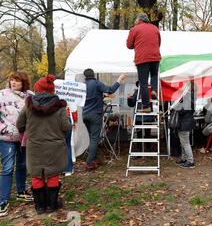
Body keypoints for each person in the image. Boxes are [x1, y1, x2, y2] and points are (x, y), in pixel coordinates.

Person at [16, 75, 71, 214]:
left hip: (34, 146)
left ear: (37, 88)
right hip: (55, 146)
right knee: (52, 174)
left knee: (37, 175)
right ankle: (51, 205)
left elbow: (19, 124)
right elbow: (66, 127)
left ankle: (40, 207)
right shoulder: (59, 106)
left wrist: (28, 132)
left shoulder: (28, 105)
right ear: (52, 90)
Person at [0, 72, 33, 217]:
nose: (13, 83)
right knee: (7, 167)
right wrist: (3, 128)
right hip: (6, 137)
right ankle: (3, 200)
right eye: (12, 80)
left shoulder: (30, 96)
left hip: (24, 137)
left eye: (17, 81)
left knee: (22, 165)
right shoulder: (2, 95)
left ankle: (21, 191)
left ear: (23, 83)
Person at [82, 68, 125, 171]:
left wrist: (102, 96)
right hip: (95, 115)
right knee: (94, 139)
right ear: (93, 75)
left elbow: (89, 97)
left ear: (85, 76)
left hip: (84, 114)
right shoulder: (96, 83)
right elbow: (111, 89)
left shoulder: (82, 85)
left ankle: (96, 159)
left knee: (92, 138)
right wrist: (119, 80)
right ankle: (89, 162)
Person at [126, 12, 161, 113]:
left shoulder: (135, 29)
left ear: (138, 20)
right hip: (155, 57)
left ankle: (146, 106)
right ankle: (154, 90)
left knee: (143, 83)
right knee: (154, 75)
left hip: (142, 59)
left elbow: (129, 45)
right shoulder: (155, 28)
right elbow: (159, 43)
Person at [173, 85, 196, 169]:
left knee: (185, 143)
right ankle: (184, 159)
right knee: (183, 143)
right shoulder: (191, 97)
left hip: (185, 123)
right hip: (186, 122)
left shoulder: (187, 98)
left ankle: (190, 161)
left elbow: (182, 110)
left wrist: (176, 105)